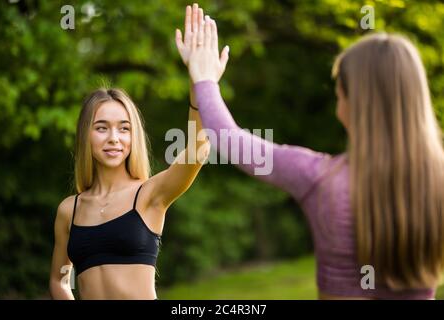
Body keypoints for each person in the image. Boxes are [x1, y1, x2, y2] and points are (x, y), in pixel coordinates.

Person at [187, 5, 444, 299]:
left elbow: (230, 140)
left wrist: (204, 78)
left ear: (351, 104)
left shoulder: (319, 179)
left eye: (338, 94)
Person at [48, 4, 210, 300]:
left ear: (134, 136)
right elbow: (60, 280)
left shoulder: (150, 195)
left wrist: (198, 82)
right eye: (101, 128)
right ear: (86, 135)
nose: (114, 138)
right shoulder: (68, 211)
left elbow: (198, 149)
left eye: (124, 128)